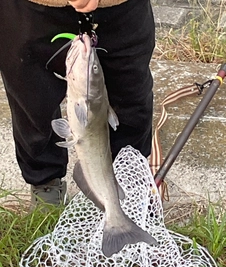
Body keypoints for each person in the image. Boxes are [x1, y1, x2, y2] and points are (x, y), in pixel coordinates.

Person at [0, 0, 155, 206]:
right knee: (32, 101)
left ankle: (130, 180)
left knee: (130, 98)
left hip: (120, 9)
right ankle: (45, 182)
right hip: (30, 9)